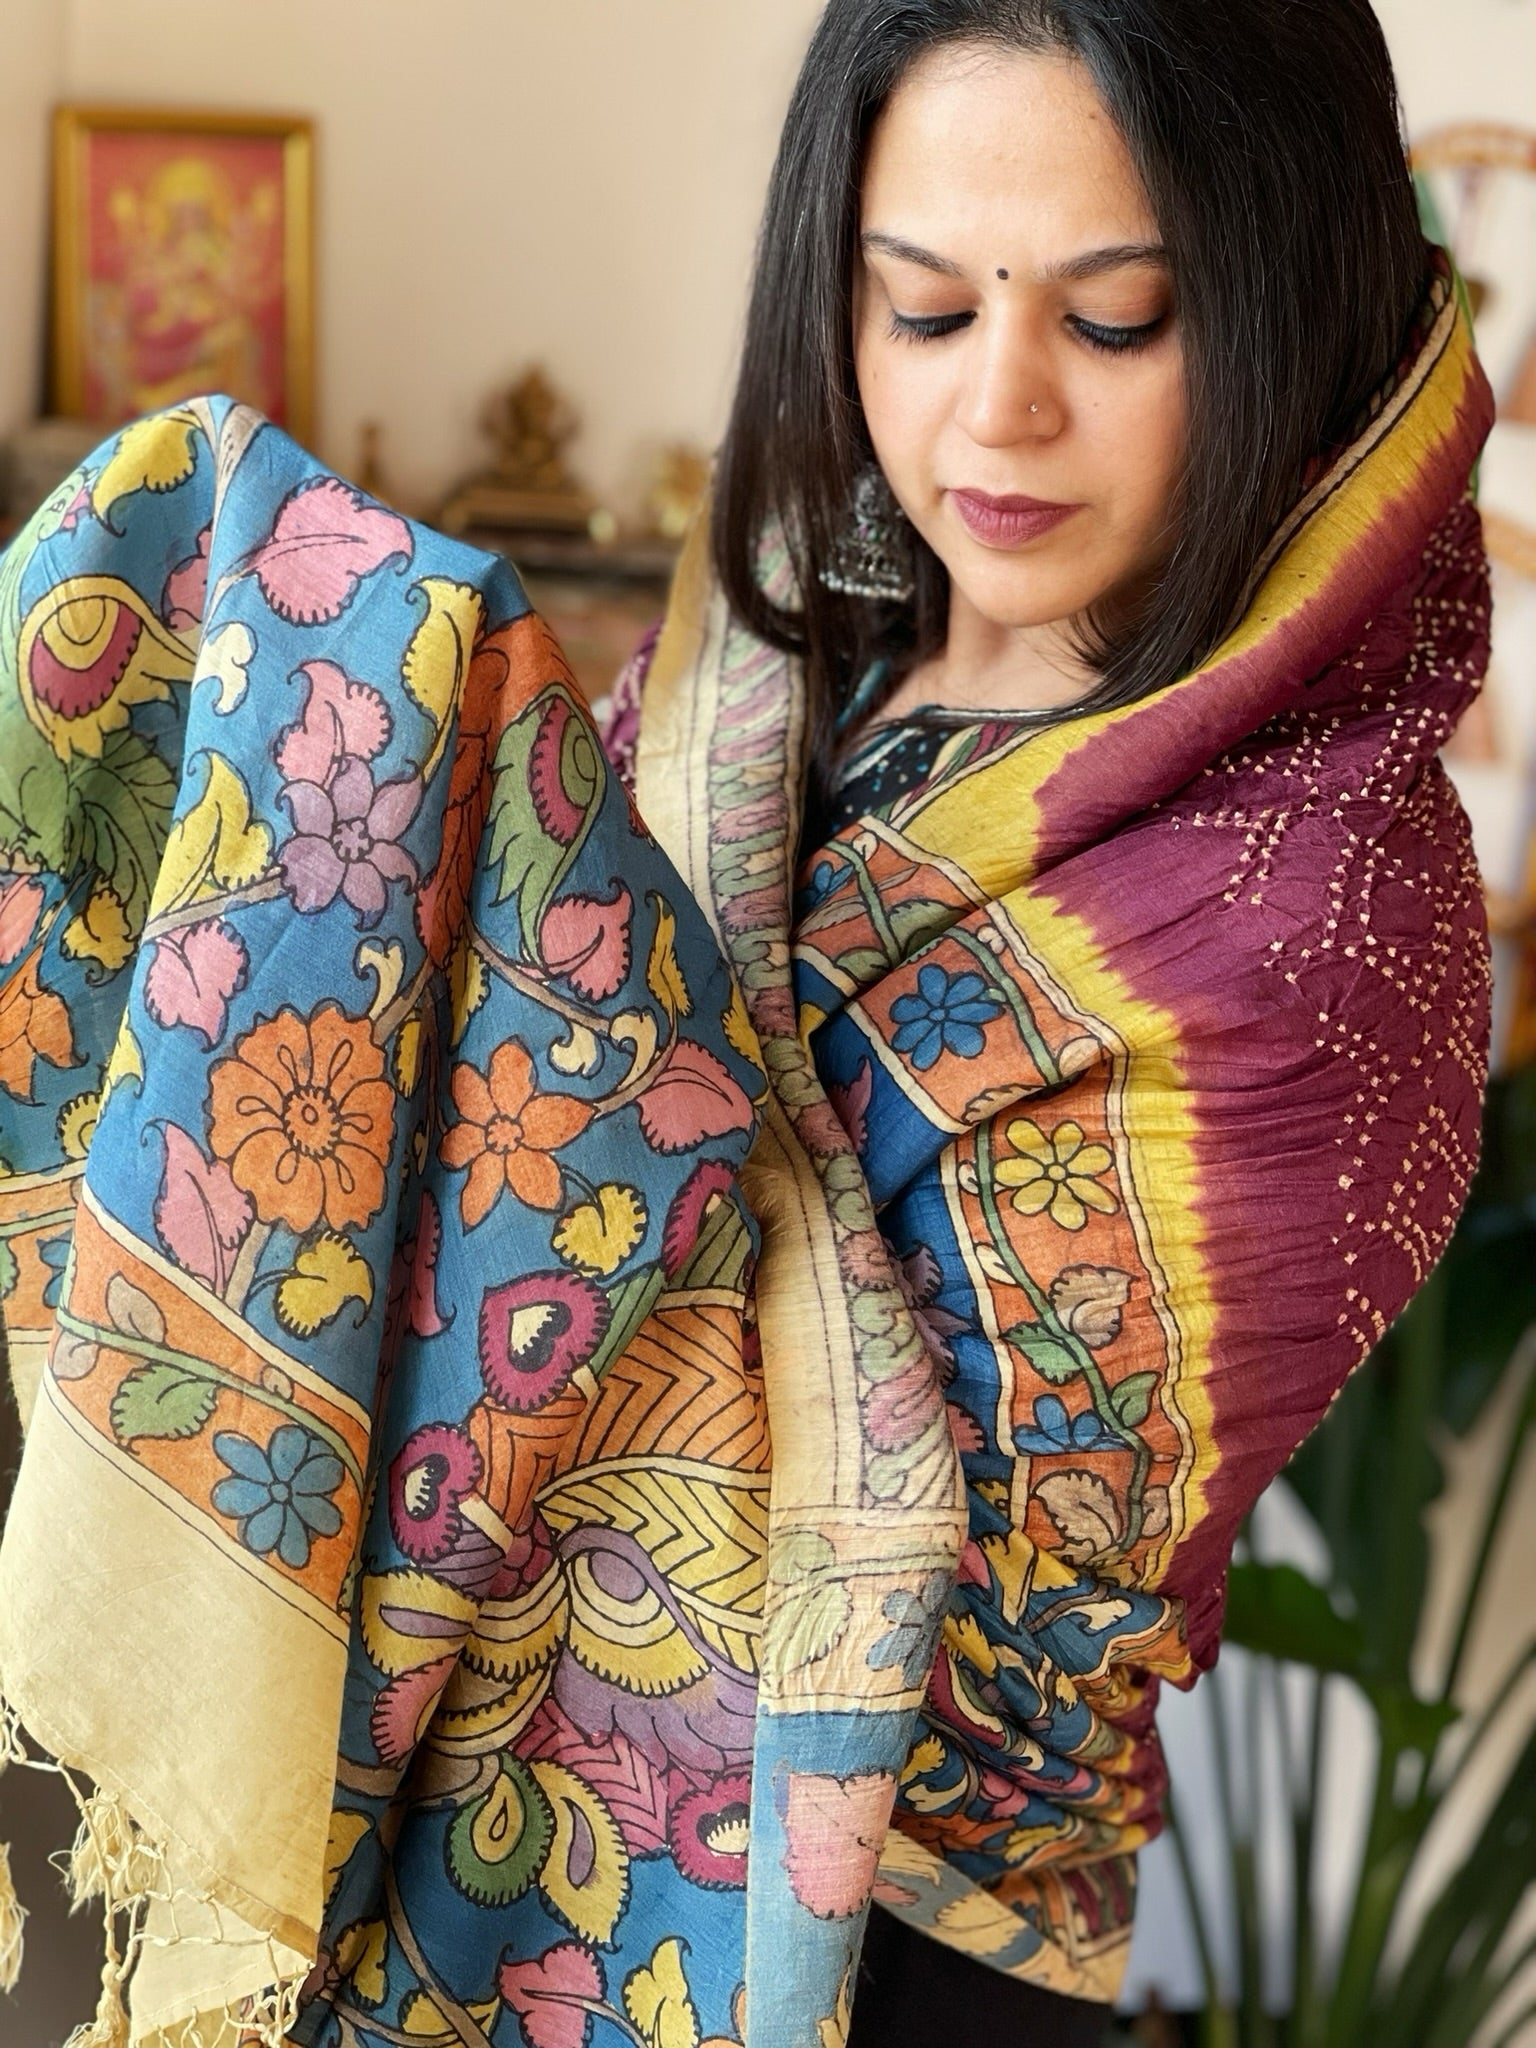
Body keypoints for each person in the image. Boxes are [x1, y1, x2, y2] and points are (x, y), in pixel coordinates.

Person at [0, 4, 1492, 2047]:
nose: (999, 407)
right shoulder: (793, 642)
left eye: (1118, 317)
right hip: (484, 1821)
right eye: (921, 305)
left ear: (1294, 296)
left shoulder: (1309, 932)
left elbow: (963, 1551)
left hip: (887, 1943)